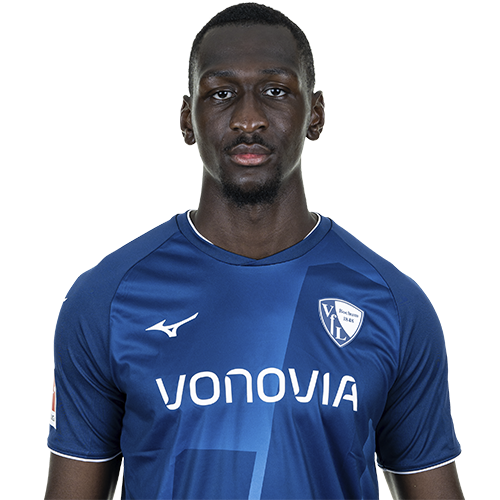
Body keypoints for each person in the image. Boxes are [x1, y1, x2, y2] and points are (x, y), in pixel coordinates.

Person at [45, 3, 464, 499]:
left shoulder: (392, 303)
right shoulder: (106, 299)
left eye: (275, 91)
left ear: (316, 115)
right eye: (221, 93)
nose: (248, 119)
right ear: (187, 120)